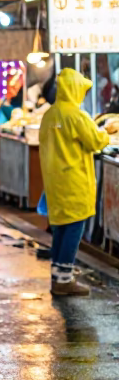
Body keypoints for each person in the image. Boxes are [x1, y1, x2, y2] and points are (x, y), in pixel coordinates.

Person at [39, 67, 109, 296]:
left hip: (55, 183)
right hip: (74, 182)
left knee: (60, 229)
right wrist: (106, 132)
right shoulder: (75, 115)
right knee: (74, 230)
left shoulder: (49, 115)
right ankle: (64, 281)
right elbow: (96, 141)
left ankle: (58, 277)